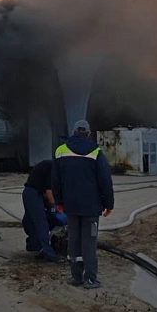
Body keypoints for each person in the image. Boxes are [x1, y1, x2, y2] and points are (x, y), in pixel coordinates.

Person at [52, 119, 114, 289]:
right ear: (88, 133)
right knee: (89, 242)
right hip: (91, 208)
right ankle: (91, 279)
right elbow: (105, 181)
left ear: (73, 132)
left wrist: (59, 202)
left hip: (71, 207)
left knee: (74, 240)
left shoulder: (60, 151)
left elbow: (55, 180)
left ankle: (76, 277)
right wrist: (109, 204)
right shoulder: (96, 152)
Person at [21, 159, 59, 262]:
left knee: (31, 220)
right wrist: (53, 208)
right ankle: (48, 253)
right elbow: (49, 192)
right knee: (41, 222)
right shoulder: (53, 168)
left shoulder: (51, 166)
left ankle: (35, 245)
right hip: (33, 193)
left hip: (33, 192)